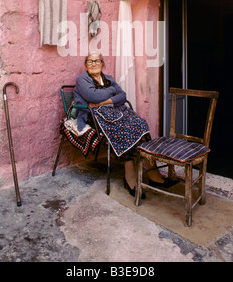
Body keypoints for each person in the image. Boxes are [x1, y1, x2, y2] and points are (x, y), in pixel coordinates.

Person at [73, 52, 178, 197]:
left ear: (103, 64)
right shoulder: (82, 79)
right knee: (125, 130)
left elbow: (122, 96)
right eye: (90, 61)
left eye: (97, 61)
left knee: (140, 124)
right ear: (85, 65)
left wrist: (105, 100)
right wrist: (111, 92)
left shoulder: (108, 78)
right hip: (96, 116)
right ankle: (129, 178)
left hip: (116, 111)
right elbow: (93, 96)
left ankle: (153, 174)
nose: (94, 64)